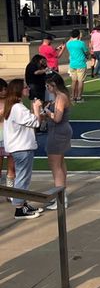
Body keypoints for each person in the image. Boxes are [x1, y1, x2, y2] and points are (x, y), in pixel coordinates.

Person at [3, 78, 44, 219]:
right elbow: (35, 122)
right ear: (19, 91)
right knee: (22, 177)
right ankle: (19, 208)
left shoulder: (13, 106)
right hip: (22, 147)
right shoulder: (18, 108)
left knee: (23, 177)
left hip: (18, 146)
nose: (28, 89)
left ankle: (22, 203)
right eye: (25, 87)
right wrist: (37, 109)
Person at [42, 72, 73, 209]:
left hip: (58, 132)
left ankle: (60, 198)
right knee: (60, 164)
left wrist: (47, 112)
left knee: (56, 166)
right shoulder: (60, 96)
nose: (47, 88)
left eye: (48, 86)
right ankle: (62, 195)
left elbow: (57, 118)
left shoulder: (60, 97)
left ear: (53, 85)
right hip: (60, 131)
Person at [0, 78, 16, 196]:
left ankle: (10, 192)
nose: (4, 92)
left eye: (5, 89)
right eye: (1, 90)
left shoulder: (11, 102)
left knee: (12, 167)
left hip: (10, 138)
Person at [65, 30, 89, 104]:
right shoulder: (81, 43)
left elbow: (69, 43)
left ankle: (73, 96)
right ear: (78, 35)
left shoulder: (68, 44)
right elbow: (86, 52)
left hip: (72, 64)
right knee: (80, 81)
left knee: (74, 81)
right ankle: (79, 97)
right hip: (81, 64)